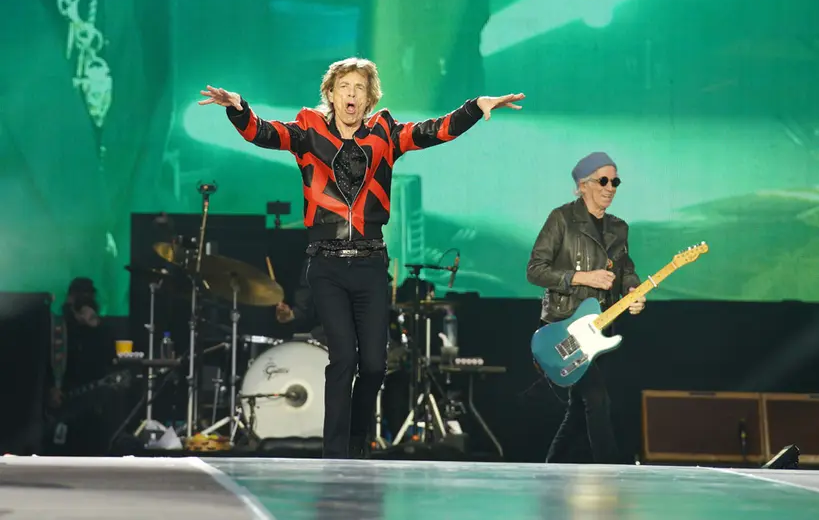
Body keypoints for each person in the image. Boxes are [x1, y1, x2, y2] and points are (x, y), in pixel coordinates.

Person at [200, 57, 524, 458]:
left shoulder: (385, 134)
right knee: (343, 359)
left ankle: (356, 442)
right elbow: (263, 133)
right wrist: (238, 108)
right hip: (327, 264)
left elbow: (433, 131)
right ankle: (336, 454)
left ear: (369, 97)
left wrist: (475, 107)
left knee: (373, 365)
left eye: (359, 88)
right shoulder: (307, 131)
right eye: (344, 87)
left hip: (371, 263)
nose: (351, 94)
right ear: (331, 95)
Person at [526, 152, 646, 464]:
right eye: (603, 180)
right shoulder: (561, 219)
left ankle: (551, 469)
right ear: (582, 185)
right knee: (596, 399)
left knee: (579, 410)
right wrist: (581, 276)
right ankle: (611, 470)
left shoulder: (619, 228)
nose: (611, 187)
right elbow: (535, 270)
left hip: (599, 330)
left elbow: (626, 271)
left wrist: (634, 291)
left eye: (615, 181)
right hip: (562, 329)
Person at [45, 278, 116, 456]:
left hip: (92, 406)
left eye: (89, 296)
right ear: (70, 299)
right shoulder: (58, 327)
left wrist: (94, 324)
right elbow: (41, 363)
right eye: (81, 296)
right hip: (62, 403)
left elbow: (109, 359)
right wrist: (49, 389)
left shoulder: (99, 329)